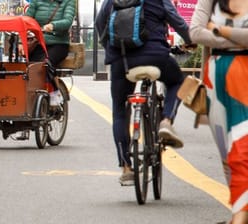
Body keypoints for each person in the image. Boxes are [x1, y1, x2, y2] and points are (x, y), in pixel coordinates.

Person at [95, 0, 193, 185]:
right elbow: (178, 22)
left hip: (121, 60)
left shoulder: (111, 1)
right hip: (156, 55)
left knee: (119, 110)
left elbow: (101, 26)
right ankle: (166, 120)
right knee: (177, 81)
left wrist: (111, 48)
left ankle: (126, 167)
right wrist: (190, 40)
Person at [189, 0, 248, 223]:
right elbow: (195, 32)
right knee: (226, 152)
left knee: (241, 148)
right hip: (215, 79)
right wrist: (235, 37)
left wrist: (219, 30)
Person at [22, 0, 76, 105]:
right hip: (38, 44)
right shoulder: (36, 2)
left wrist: (53, 25)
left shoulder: (68, 2)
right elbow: (26, 19)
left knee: (46, 64)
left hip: (58, 44)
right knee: (29, 69)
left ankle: (55, 94)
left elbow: (68, 21)